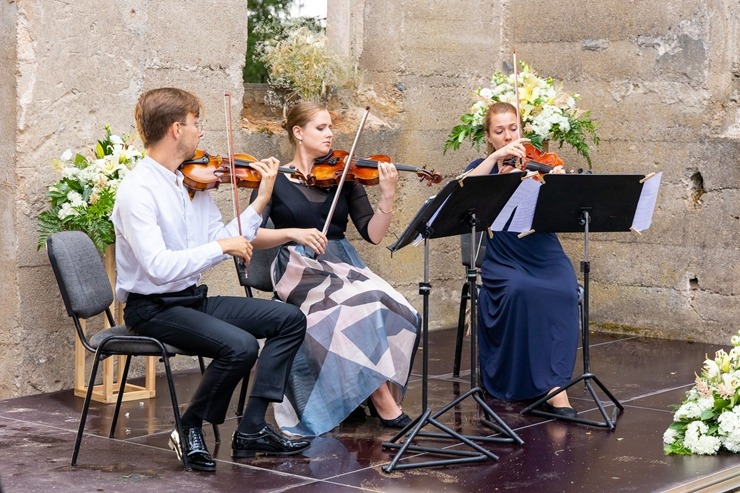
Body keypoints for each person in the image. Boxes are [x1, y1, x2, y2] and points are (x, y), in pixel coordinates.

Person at [112, 87, 310, 472]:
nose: (200, 133)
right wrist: (222, 248)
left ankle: (251, 428)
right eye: (196, 124)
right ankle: (187, 427)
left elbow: (218, 236)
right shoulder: (137, 192)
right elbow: (159, 267)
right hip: (152, 309)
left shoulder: (188, 183)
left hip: (190, 298)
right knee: (240, 346)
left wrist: (260, 200)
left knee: (288, 319)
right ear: (175, 129)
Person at [248, 102, 420, 436]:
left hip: (343, 262)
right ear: (298, 133)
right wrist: (292, 233)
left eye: (331, 128)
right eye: (321, 128)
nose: (330, 135)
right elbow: (251, 234)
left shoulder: (345, 176)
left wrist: (388, 196)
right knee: (356, 308)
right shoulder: (276, 179)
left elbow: (373, 234)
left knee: (402, 308)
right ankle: (384, 404)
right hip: (299, 267)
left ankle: (362, 392)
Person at [465, 101, 580, 417]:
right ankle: (522, 381)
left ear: (522, 130)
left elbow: (563, 213)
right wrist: (493, 161)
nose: (507, 136)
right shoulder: (483, 167)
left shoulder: (537, 164)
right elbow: (463, 193)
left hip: (545, 252)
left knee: (565, 290)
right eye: (499, 131)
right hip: (505, 258)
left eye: (512, 129)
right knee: (520, 290)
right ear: (489, 137)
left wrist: (559, 185)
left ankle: (556, 387)